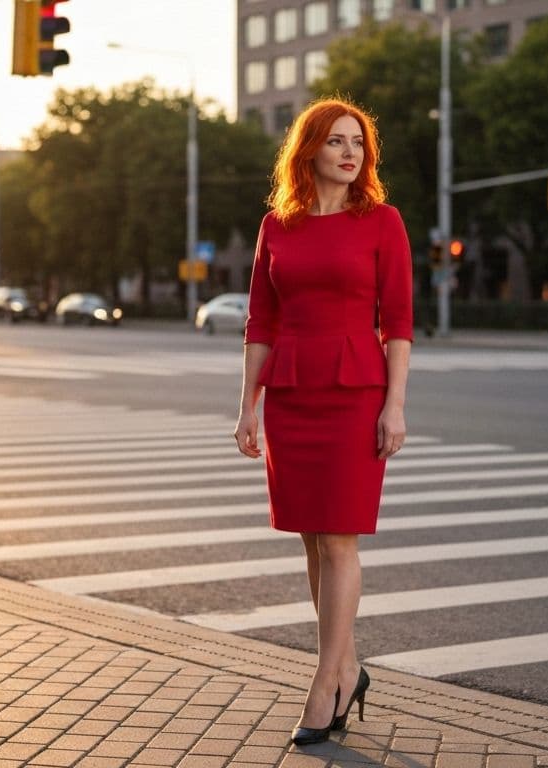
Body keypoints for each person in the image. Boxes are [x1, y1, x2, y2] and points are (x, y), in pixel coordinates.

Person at [233, 98, 413, 747]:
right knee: (311, 539)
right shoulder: (277, 226)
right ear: (308, 149)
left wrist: (395, 405)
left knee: (341, 540)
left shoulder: (382, 222)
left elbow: (398, 322)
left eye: (358, 143)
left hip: (354, 391)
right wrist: (246, 405)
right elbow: (261, 322)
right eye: (336, 141)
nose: (349, 153)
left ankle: (325, 682)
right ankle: (348, 666)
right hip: (290, 394)